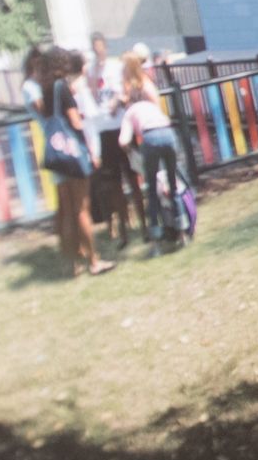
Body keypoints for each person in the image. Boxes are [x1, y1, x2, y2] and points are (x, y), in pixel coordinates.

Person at [41, 50, 114, 277]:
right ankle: (94, 260)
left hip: (56, 154)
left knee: (68, 211)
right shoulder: (62, 87)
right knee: (82, 209)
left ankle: (71, 264)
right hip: (72, 154)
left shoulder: (46, 88)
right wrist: (89, 149)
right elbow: (75, 121)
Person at [118, 53, 186, 247]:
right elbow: (158, 112)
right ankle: (180, 230)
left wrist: (130, 151)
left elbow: (123, 139)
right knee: (171, 185)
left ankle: (156, 237)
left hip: (149, 139)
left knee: (153, 189)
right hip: (167, 133)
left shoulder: (133, 106)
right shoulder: (144, 88)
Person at [87, 32, 146, 245]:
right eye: (94, 49)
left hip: (120, 127)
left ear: (106, 47)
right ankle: (122, 230)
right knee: (113, 184)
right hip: (104, 130)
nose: (98, 52)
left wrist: (118, 101)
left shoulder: (115, 67)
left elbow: (127, 92)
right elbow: (91, 96)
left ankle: (144, 225)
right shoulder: (91, 71)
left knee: (132, 178)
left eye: (100, 48)